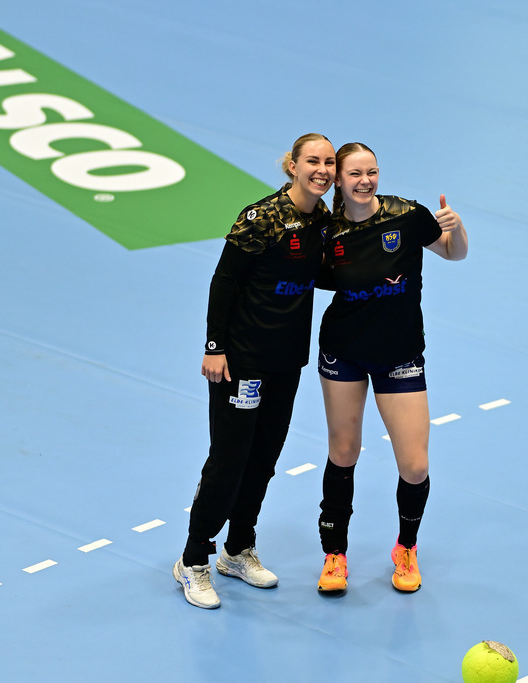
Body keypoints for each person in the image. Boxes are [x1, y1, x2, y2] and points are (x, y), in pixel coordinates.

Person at [174, 133, 336, 609]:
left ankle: (237, 548)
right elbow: (224, 280)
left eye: (329, 162)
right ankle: (193, 560)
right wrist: (215, 346)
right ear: (292, 165)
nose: (322, 170)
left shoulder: (324, 219)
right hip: (241, 361)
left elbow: (319, 272)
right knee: (228, 461)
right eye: (313, 161)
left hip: (287, 360)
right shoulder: (261, 217)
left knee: (263, 460)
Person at [314, 142, 468, 594]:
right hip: (343, 350)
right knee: (344, 453)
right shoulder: (328, 231)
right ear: (339, 181)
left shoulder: (406, 215)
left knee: (415, 465)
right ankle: (335, 555)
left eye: (372, 172)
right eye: (355, 174)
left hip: (399, 354)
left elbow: (453, 253)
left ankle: (406, 548)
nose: (365, 181)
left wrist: (456, 229)